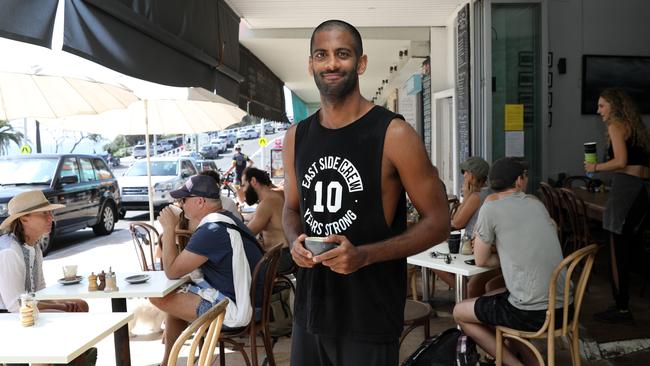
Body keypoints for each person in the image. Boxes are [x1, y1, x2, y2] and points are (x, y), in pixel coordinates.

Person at [282, 19, 450, 365]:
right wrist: (293, 242)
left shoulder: (394, 134)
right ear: (311, 64)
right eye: (321, 55)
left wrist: (364, 256)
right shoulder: (296, 137)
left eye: (342, 54)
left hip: (368, 318)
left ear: (360, 63)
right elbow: (290, 209)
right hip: (309, 314)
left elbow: (439, 222)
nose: (331, 63)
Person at [453, 157, 569, 366]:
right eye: (524, 177)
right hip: (566, 307)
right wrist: (513, 255)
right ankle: (526, 358)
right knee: (493, 296)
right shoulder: (536, 204)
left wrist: (505, 256)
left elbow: (480, 258)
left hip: (532, 314)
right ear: (518, 182)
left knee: (459, 312)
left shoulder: (490, 208)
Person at [149, 175, 263, 365]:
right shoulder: (227, 218)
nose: (181, 204)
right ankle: (168, 362)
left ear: (199, 201)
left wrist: (169, 228)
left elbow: (171, 270)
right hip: (253, 301)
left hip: (237, 310)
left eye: (184, 200)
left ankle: (170, 361)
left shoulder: (211, 230)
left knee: (159, 296)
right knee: (173, 297)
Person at [584, 88, 650, 325]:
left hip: (626, 189)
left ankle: (621, 308)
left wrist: (595, 169)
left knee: (616, 248)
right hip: (641, 189)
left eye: (602, 105)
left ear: (613, 105)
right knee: (628, 247)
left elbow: (621, 161)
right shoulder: (634, 126)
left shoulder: (616, 125)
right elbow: (637, 165)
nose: (598, 110)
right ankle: (622, 303)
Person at [0, 190, 89, 314]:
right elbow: (16, 305)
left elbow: (40, 291)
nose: (51, 218)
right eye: (44, 214)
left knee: (81, 305)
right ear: (24, 219)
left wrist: (61, 304)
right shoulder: (10, 251)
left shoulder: (34, 247)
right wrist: (61, 307)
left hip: (26, 307)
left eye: (50, 213)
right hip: (9, 317)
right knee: (67, 314)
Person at [435, 156, 501, 298]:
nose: (463, 175)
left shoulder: (476, 196)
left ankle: (463, 293)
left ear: (472, 175)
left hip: (472, 246)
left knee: (436, 263)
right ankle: (467, 291)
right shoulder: (493, 193)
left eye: (465, 172)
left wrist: (466, 196)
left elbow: (457, 222)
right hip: (489, 246)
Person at [241, 167, 295, 273]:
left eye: (244, 185)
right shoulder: (274, 195)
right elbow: (255, 216)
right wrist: (242, 217)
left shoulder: (267, 202)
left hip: (280, 258)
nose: (243, 190)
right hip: (285, 254)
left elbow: (246, 233)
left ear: (253, 181)